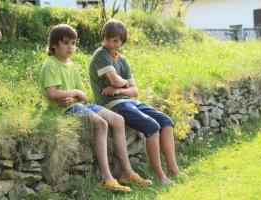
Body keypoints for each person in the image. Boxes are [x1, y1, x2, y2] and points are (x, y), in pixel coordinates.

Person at [39, 24, 152, 192]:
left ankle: (127, 172)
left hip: (77, 104)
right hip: (62, 110)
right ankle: (107, 178)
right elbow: (52, 94)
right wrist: (75, 94)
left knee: (118, 120)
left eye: (73, 43)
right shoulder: (50, 64)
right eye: (66, 43)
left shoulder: (71, 65)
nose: (71, 47)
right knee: (102, 124)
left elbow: (84, 96)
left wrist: (75, 95)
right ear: (54, 45)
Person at [89, 19, 183, 185]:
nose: (110, 43)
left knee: (166, 122)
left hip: (127, 101)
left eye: (115, 40)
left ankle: (173, 169)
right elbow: (115, 80)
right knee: (152, 127)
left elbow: (134, 91)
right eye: (107, 39)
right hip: (113, 105)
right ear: (103, 39)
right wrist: (122, 84)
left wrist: (119, 89)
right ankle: (161, 176)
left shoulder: (122, 60)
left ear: (122, 42)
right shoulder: (101, 54)